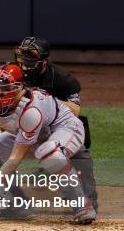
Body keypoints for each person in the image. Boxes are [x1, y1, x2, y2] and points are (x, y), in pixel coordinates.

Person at [0, 63, 97, 224]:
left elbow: (17, 155)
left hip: (66, 129)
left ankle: (82, 205)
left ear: (19, 88)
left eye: (4, 88)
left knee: (49, 153)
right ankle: (16, 204)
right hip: (33, 136)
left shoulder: (31, 110)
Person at [13, 37, 98, 210]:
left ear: (44, 62)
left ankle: (87, 200)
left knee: (80, 154)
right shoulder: (14, 75)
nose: (24, 65)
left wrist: (41, 100)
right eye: (22, 59)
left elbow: (75, 109)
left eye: (30, 60)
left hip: (59, 127)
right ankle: (14, 203)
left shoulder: (61, 78)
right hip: (27, 127)